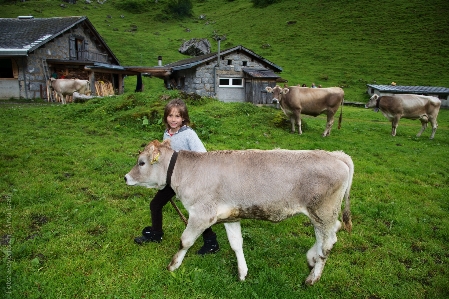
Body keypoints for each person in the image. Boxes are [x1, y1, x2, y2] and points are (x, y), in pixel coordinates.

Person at [134, 98, 220, 255]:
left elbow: (203, 156)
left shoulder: (188, 135)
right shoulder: (166, 134)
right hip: (171, 180)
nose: (173, 119)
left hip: (189, 181)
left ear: (183, 118)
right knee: (155, 204)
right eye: (170, 116)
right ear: (166, 117)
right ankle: (156, 233)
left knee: (196, 212)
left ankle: (211, 242)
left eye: (177, 116)